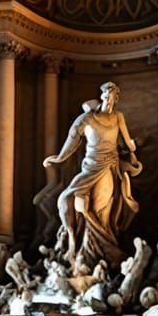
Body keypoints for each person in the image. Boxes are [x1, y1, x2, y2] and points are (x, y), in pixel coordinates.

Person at [42, 81, 142, 268]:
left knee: (100, 210)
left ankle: (96, 254)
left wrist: (133, 152)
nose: (109, 101)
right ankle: (74, 242)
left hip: (109, 167)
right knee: (66, 199)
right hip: (89, 167)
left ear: (116, 99)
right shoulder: (86, 119)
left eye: (112, 97)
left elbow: (127, 140)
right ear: (101, 96)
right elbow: (72, 139)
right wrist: (60, 157)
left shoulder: (118, 117)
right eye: (106, 96)